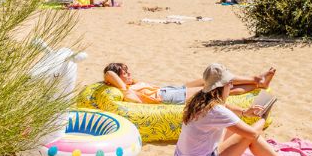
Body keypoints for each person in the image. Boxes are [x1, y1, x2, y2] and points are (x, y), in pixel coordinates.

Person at [174, 63, 305, 156]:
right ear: (221, 87)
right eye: (229, 83)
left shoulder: (199, 99)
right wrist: (264, 116)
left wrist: (244, 112)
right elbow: (253, 134)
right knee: (248, 135)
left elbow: (225, 107)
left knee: (234, 125)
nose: (231, 86)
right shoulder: (215, 110)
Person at [103, 62, 276, 105]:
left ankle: (257, 81)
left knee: (211, 77)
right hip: (168, 97)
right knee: (217, 89)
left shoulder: (130, 85)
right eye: (124, 73)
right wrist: (121, 81)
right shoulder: (125, 90)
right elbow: (109, 73)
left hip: (169, 90)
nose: (129, 74)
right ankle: (257, 82)